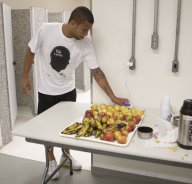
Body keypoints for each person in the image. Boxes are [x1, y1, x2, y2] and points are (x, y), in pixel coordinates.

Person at [21, 6, 129, 179]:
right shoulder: (46, 30)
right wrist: (25, 77)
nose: (86, 34)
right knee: (46, 130)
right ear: (73, 23)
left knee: (67, 128)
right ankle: (51, 161)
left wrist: (113, 97)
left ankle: (66, 155)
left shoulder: (85, 43)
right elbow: (30, 51)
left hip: (68, 92)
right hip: (46, 91)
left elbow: (97, 72)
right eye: (84, 29)